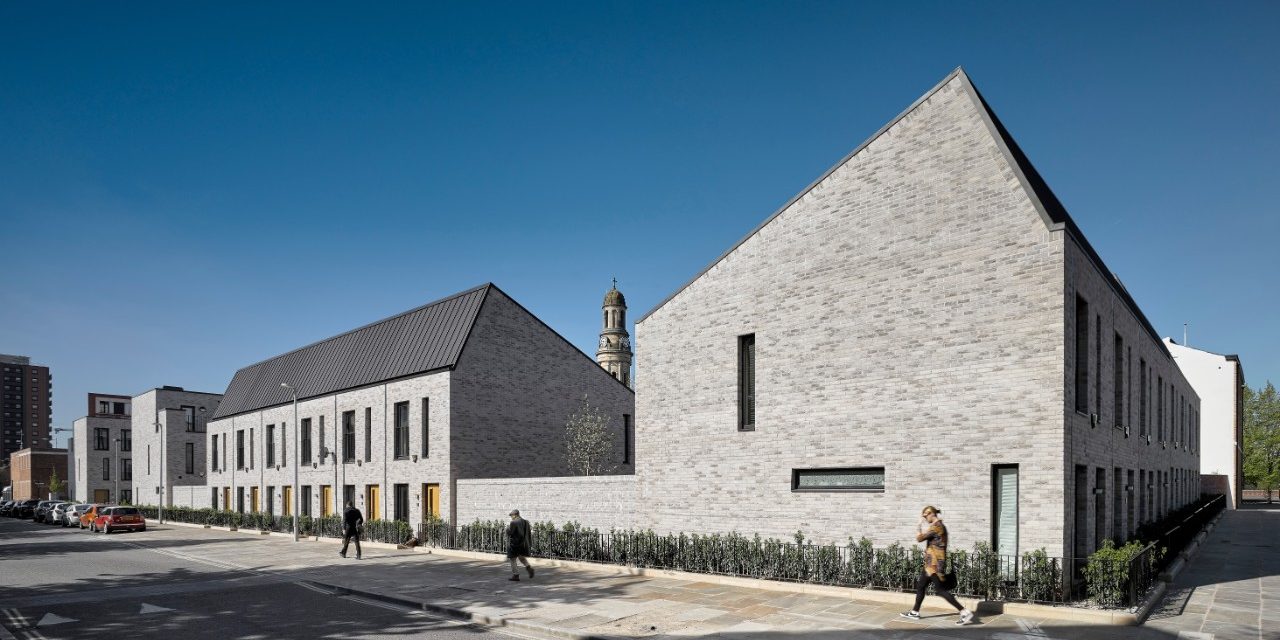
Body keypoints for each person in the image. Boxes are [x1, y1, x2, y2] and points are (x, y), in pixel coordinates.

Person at [900, 505, 974, 625]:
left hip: (934, 565)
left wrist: (918, 525)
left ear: (931, 514)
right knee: (921, 586)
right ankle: (915, 612)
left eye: (925, 516)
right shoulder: (937, 526)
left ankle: (964, 612)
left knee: (940, 590)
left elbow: (919, 538)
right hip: (930, 564)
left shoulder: (937, 527)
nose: (925, 518)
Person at [505, 509, 534, 581]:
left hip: (515, 544)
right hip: (524, 544)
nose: (511, 517)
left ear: (515, 515)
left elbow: (510, 533)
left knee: (512, 559)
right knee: (521, 557)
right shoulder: (526, 522)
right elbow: (528, 533)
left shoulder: (513, 522)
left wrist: (507, 529)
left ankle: (516, 575)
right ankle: (528, 567)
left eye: (511, 515)